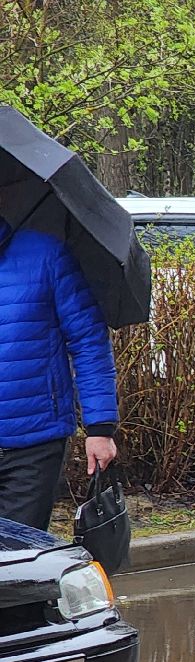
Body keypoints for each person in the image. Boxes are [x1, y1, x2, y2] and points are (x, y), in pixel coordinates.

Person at [0, 217, 119, 530]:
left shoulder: (47, 255)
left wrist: (100, 427)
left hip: (34, 443)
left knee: (17, 560)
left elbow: (89, 341)